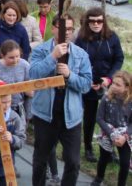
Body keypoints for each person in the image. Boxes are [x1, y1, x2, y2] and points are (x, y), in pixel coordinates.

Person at [30, 14, 92, 186]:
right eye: (62, 28)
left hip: (71, 117)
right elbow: (33, 76)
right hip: (45, 115)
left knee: (73, 161)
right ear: (54, 28)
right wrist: (52, 57)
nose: (66, 32)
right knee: (40, 161)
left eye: (70, 29)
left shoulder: (81, 55)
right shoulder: (41, 50)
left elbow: (86, 85)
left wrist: (70, 75)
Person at [75, 7, 124, 163]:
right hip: (89, 82)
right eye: (93, 21)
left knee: (111, 117)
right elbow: (76, 60)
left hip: (109, 83)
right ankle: (88, 147)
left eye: (99, 21)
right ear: (87, 22)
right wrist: (87, 79)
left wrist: (108, 79)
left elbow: (119, 59)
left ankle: (109, 149)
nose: (96, 24)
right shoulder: (81, 38)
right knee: (89, 117)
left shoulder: (112, 37)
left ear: (104, 21)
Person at [91, 71, 132, 186]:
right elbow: (99, 118)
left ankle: (121, 183)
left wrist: (125, 136)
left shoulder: (130, 101)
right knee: (104, 158)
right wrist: (111, 133)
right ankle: (99, 178)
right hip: (107, 130)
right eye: (113, 83)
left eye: (118, 85)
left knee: (124, 163)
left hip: (124, 133)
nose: (113, 86)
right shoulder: (106, 98)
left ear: (127, 87)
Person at [0, 40, 32, 122]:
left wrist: (29, 112)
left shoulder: (24, 65)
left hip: (19, 106)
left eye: (17, 56)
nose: (15, 60)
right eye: (11, 58)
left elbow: (30, 90)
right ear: (2, 55)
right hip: (1, 108)